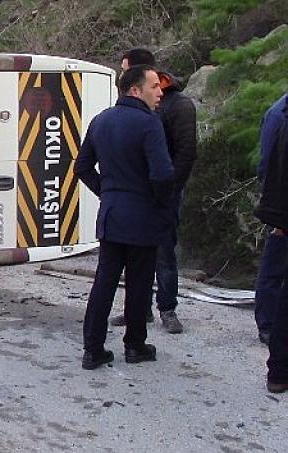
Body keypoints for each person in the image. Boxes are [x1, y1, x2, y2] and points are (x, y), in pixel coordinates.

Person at [75, 65, 175, 370]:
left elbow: (81, 168)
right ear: (135, 90)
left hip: (111, 215)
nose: (160, 92)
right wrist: (159, 203)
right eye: (154, 86)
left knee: (104, 281)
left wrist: (107, 192)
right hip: (142, 216)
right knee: (139, 282)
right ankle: (134, 345)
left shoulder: (101, 121)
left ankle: (92, 349)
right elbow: (162, 174)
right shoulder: (149, 124)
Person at [108, 48, 197, 334]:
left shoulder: (179, 106)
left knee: (163, 250)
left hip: (165, 191)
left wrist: (171, 189)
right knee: (136, 253)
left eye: (124, 68)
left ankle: (167, 308)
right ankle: (139, 308)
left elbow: (186, 152)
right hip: (138, 191)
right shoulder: (136, 105)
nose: (120, 74)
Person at [254, 93, 288, 393]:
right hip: (282, 209)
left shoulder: (280, 111)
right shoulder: (279, 114)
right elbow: (269, 164)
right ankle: (267, 324)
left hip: (280, 207)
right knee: (274, 272)